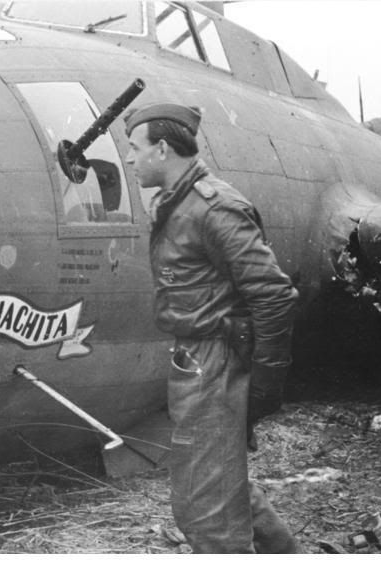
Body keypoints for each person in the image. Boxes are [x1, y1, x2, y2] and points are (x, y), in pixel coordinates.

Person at [124, 102, 300, 553]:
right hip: (198, 360)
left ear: (162, 149)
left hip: (214, 362)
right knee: (219, 482)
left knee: (208, 510)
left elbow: (273, 293)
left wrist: (266, 379)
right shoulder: (179, 203)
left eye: (134, 148)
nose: (129, 159)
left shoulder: (212, 207)